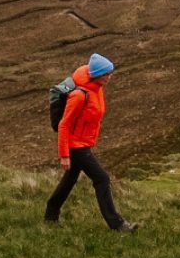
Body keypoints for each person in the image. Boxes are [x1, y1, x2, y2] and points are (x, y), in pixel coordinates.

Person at [45, 52, 139, 231]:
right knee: (102, 178)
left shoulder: (97, 89)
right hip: (76, 146)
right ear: (96, 74)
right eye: (106, 74)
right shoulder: (80, 96)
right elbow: (64, 125)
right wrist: (64, 155)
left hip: (84, 142)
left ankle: (51, 213)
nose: (109, 77)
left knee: (70, 180)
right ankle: (117, 224)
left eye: (110, 73)